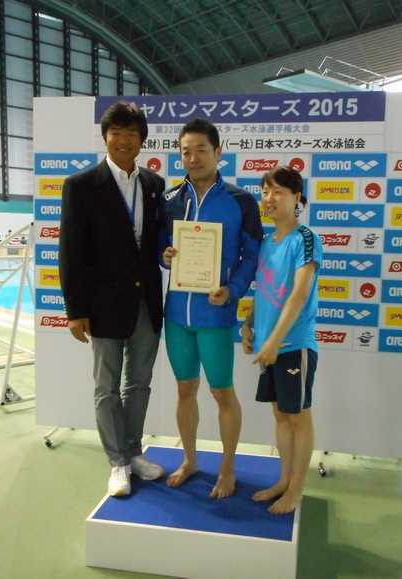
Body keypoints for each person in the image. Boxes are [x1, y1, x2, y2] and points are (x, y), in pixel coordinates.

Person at [59, 102, 166, 497]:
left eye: (131, 134)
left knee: (139, 384)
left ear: (141, 140)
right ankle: (117, 462)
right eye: (116, 133)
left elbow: (158, 241)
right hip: (102, 305)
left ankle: (134, 452)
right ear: (105, 137)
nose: (123, 140)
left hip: (147, 302)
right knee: (106, 387)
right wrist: (75, 310)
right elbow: (70, 251)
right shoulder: (81, 185)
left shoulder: (154, 184)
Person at [161, 118, 262, 499]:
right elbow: (159, 248)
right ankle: (190, 460)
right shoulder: (170, 200)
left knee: (222, 392)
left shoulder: (240, 201)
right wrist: (163, 256)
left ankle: (228, 468)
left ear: (218, 152)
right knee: (184, 389)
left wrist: (232, 290)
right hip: (176, 315)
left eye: (201, 150)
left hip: (215, 315)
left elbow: (252, 255)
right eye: (186, 151)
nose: (193, 158)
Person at [241, 166, 322, 515]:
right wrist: (249, 324)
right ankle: (284, 480)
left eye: (277, 192)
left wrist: (274, 340)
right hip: (269, 346)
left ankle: (296, 490)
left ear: (297, 198)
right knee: (281, 416)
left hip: (294, 345)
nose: (269, 199)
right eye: (265, 192)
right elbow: (265, 291)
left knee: (298, 416)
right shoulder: (266, 242)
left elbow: (298, 295)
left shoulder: (306, 238)